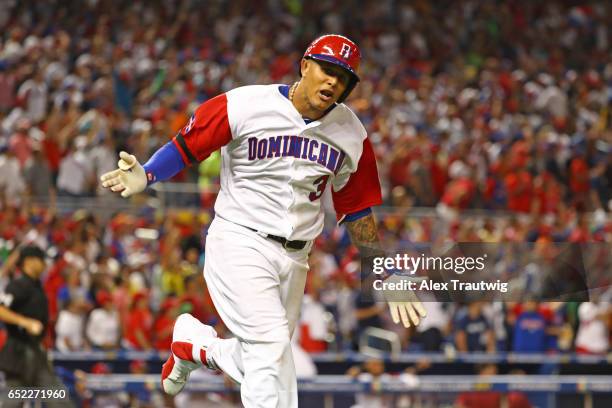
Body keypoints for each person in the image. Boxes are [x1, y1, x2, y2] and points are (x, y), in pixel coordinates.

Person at [101, 34, 426, 408]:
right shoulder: (245, 104)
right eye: (327, 69)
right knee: (271, 349)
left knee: (266, 358)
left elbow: (356, 209)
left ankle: (194, 346)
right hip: (240, 240)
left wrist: (384, 270)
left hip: (295, 258)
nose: (333, 81)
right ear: (305, 65)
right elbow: (188, 145)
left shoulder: (352, 135)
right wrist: (148, 174)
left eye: (344, 77)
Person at [0, 245, 73, 407]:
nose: (44, 265)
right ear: (29, 261)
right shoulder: (18, 285)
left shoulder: (36, 286)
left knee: (59, 399)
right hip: (18, 354)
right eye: (41, 260)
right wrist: (25, 322)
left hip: (35, 353)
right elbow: (1, 310)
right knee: (13, 401)